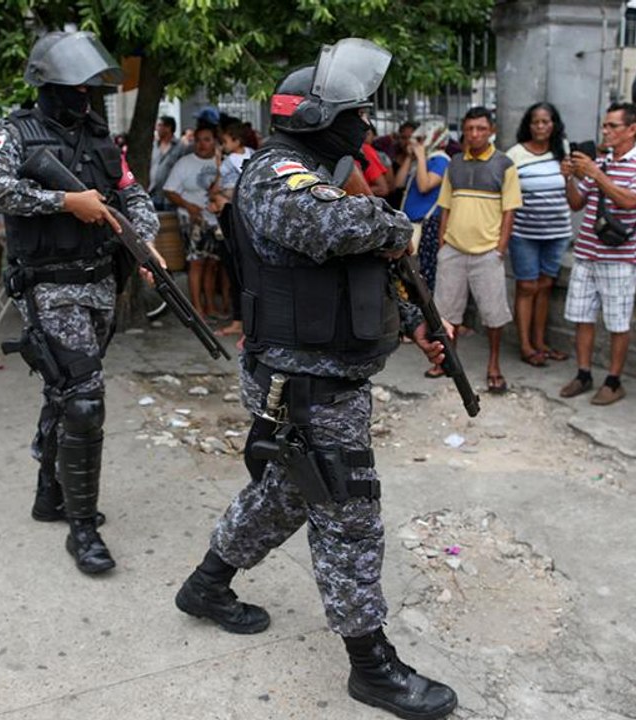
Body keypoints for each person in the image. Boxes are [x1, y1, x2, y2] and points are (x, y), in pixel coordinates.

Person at [173, 38, 457, 720]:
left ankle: (207, 585)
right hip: (302, 382)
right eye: (355, 114)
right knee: (349, 516)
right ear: (318, 117)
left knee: (286, 494)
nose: (365, 126)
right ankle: (372, 666)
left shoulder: (318, 170)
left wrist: (421, 321)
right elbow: (342, 226)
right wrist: (401, 224)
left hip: (324, 374)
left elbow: (366, 266)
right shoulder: (279, 176)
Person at [0, 31, 159, 572]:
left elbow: (131, 192)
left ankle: (48, 490)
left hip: (99, 282)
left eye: (90, 88)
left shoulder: (102, 139)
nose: (84, 97)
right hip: (48, 287)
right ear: (48, 86)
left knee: (64, 391)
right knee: (84, 400)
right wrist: (64, 201)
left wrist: (141, 241)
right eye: (74, 87)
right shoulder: (12, 132)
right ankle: (82, 528)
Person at [560, 103, 636, 405]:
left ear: (632, 129)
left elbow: (632, 201)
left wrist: (595, 173)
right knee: (582, 317)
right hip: (587, 252)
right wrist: (569, 177)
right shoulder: (600, 161)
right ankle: (583, 374)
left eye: (612, 126)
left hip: (620, 256)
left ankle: (614, 381)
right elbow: (577, 204)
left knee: (618, 322)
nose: (605, 131)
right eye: (604, 125)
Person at [432, 106, 520, 393]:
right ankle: (448, 361)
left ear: (491, 130)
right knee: (446, 312)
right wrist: (443, 243)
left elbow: (509, 211)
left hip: (487, 252)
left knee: (494, 314)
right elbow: (445, 206)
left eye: (481, 128)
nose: (474, 134)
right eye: (469, 129)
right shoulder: (454, 163)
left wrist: (500, 248)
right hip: (453, 249)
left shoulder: (504, 165)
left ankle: (493, 364)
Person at [508, 102, 573, 368]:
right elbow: (508, 196)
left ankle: (541, 343)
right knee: (526, 287)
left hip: (557, 232)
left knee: (546, 286)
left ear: (554, 124)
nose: (541, 126)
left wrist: (570, 177)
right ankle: (525, 345)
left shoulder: (563, 151)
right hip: (524, 232)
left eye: (546, 122)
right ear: (528, 125)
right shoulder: (515, 155)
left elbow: (572, 192)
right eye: (536, 122)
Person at [164, 124, 221, 320]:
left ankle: (211, 305)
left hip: (216, 220)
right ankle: (197, 307)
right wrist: (188, 206)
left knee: (212, 264)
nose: (202, 144)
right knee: (196, 263)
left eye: (207, 139)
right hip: (191, 220)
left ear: (215, 141)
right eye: (198, 140)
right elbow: (169, 190)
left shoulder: (221, 163)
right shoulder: (184, 163)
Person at [393, 120, 450, 295]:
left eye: (421, 139)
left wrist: (419, 157)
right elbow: (398, 183)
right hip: (412, 223)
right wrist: (411, 158)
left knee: (422, 276)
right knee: (408, 276)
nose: (416, 143)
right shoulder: (423, 160)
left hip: (425, 226)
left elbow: (425, 185)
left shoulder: (440, 160)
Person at [210, 120, 256, 337]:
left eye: (225, 141)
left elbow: (218, 188)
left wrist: (219, 166)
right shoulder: (255, 156)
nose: (223, 145)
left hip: (232, 218)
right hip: (251, 219)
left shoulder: (229, 162)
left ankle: (240, 321)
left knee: (236, 270)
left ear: (235, 141)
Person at [149, 115, 184, 209]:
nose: (157, 128)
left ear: (168, 128)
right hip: (154, 192)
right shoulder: (154, 145)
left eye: (160, 125)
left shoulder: (180, 146)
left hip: (170, 195)